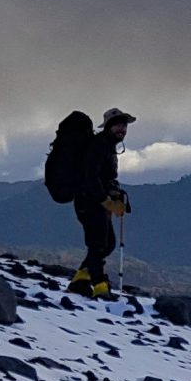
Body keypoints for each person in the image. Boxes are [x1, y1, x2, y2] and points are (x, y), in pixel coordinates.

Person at [68, 107, 133, 297]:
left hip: (94, 202)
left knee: (107, 243)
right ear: (109, 126)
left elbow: (102, 176)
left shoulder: (107, 146)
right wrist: (105, 200)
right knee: (99, 244)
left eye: (125, 125)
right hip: (90, 202)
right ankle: (99, 286)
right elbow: (91, 176)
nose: (123, 129)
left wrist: (113, 194)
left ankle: (81, 279)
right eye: (119, 125)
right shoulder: (100, 145)